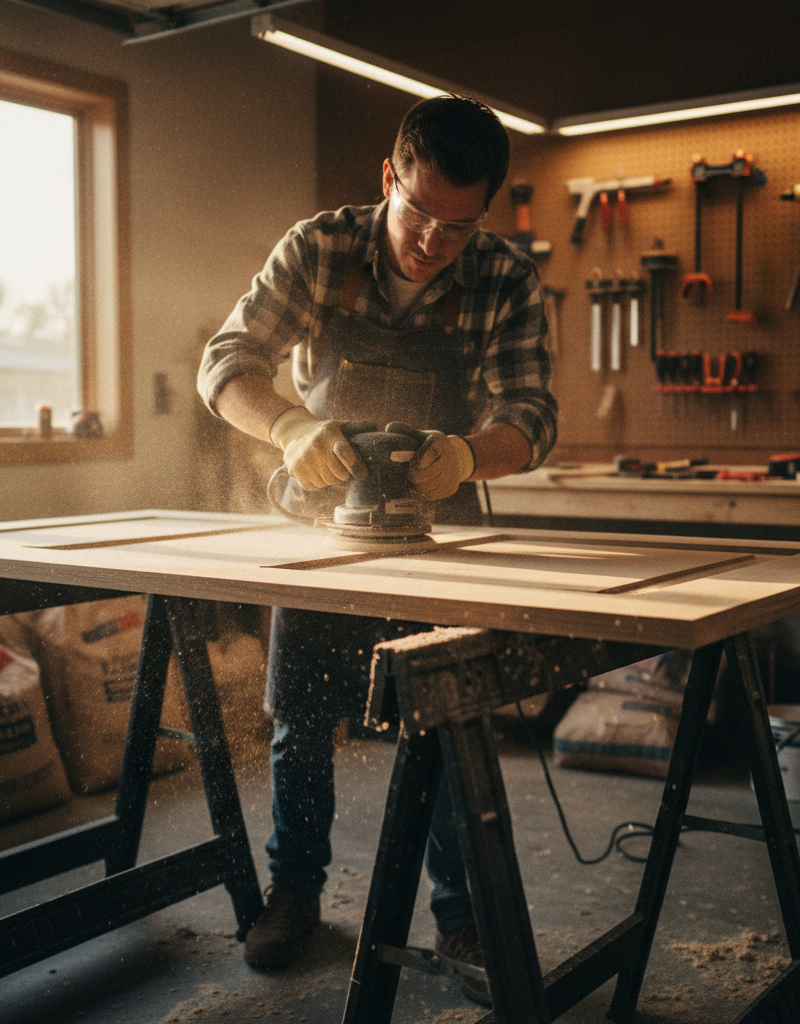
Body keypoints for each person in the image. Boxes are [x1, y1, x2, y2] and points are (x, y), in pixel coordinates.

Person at [197, 93, 558, 1005]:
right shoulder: (317, 248)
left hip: (439, 528)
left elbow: (534, 416)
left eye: (460, 226)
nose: (434, 242)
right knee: (300, 719)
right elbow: (226, 363)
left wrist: (474, 452)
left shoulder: (507, 278)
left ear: (487, 214)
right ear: (388, 176)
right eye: (420, 213)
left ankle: (461, 913)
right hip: (326, 523)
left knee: (447, 724)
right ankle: (296, 893)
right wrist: (285, 426)